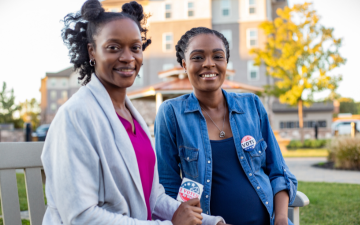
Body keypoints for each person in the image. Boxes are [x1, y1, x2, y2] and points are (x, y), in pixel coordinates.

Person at [41, 2, 226, 225]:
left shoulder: (131, 115)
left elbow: (153, 198)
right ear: (92, 51)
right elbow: (81, 216)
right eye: (114, 47)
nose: (128, 57)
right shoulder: (75, 116)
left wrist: (210, 222)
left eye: (135, 47)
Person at [155, 27, 298, 225]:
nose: (209, 64)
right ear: (184, 65)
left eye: (217, 56)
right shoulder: (171, 113)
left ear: (226, 62)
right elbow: (168, 186)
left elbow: (279, 171)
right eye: (197, 57)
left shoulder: (252, 105)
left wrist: (281, 219)